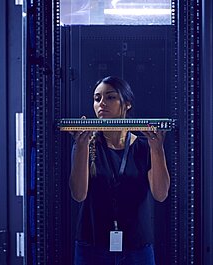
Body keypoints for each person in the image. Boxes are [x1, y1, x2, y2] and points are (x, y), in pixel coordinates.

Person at [69, 76, 170, 265]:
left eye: (110, 97)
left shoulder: (144, 147)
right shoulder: (86, 145)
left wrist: (157, 149)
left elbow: (161, 194)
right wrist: (81, 147)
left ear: (128, 104)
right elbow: (78, 194)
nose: (102, 104)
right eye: (97, 98)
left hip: (136, 248)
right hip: (92, 246)